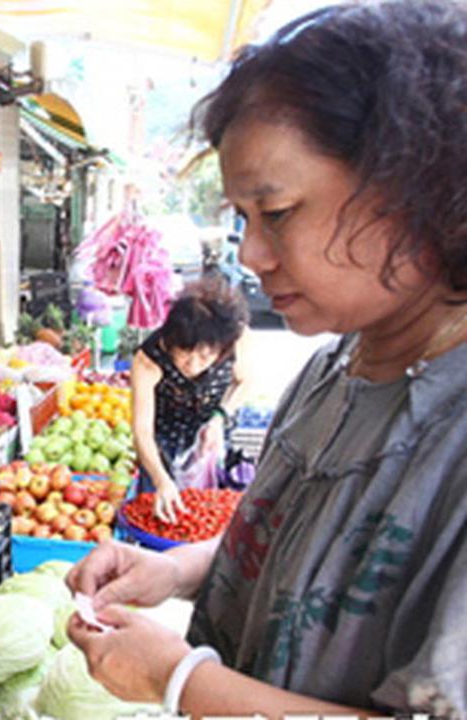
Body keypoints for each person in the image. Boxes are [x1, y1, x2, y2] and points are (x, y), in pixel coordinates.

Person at [66, 3, 467, 717]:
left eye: (276, 211)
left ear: (420, 190)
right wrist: (176, 569)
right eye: (242, 219)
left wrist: (180, 682)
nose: (250, 255)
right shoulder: (334, 370)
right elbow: (296, 557)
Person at [131, 277, 250, 522]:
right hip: (164, 439)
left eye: (206, 357)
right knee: (160, 512)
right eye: (184, 357)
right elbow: (142, 431)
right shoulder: (149, 359)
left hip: (212, 432)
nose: (194, 366)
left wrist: (219, 418)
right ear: (172, 342)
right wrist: (161, 480)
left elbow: (245, 381)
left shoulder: (235, 337)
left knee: (208, 514)